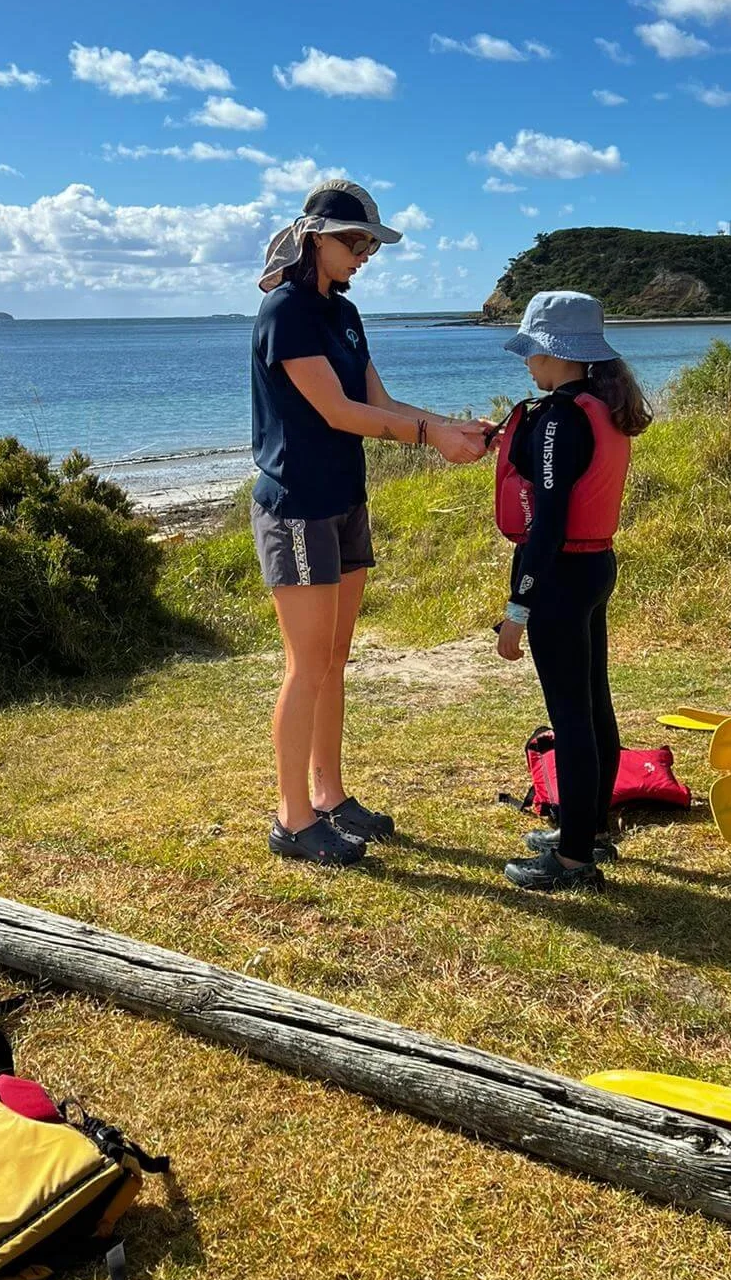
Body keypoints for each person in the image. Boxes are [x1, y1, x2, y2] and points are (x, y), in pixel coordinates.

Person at [251, 180, 490, 868]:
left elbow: (376, 399)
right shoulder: (286, 311)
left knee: (333, 659)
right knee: (305, 664)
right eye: (354, 243)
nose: (363, 256)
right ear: (314, 238)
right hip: (296, 505)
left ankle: (330, 797)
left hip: (345, 500)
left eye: (369, 246)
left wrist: (449, 426)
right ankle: (292, 820)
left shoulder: (344, 315)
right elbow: (337, 412)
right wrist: (428, 437)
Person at [493, 290, 652, 893]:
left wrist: (517, 607)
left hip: (560, 578)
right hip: (595, 566)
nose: (527, 361)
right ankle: (589, 828)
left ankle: (573, 860)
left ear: (558, 354)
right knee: (593, 702)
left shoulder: (561, 416)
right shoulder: (602, 404)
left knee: (572, 717)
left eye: (533, 349)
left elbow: (549, 521)